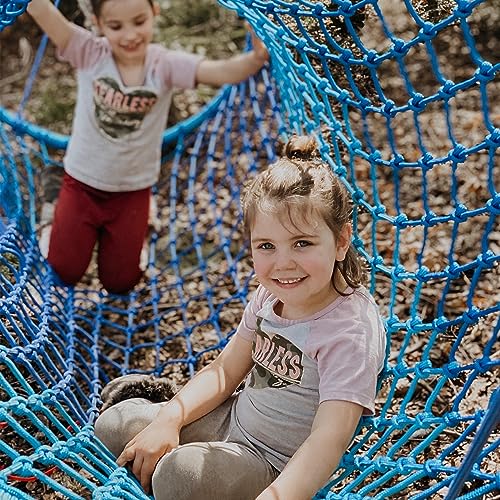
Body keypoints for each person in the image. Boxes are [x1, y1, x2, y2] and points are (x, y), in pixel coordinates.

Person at [94, 135, 387, 500]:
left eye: (302, 243)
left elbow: (329, 439)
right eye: (267, 246)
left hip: (272, 465)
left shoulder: (349, 332)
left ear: (341, 241)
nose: (283, 263)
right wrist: (170, 419)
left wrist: (278, 496)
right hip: (231, 420)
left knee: (178, 477)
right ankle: (164, 408)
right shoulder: (271, 294)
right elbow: (226, 369)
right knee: (115, 426)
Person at [27, 0, 269, 293]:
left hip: (132, 191)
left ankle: (138, 228)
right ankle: (52, 215)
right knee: (63, 270)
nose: (129, 35)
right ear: (99, 25)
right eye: (116, 27)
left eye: (139, 22)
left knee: (121, 282)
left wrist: (255, 58)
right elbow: (40, 9)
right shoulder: (89, 51)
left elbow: (217, 71)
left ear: (154, 13)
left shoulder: (163, 64)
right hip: (82, 183)